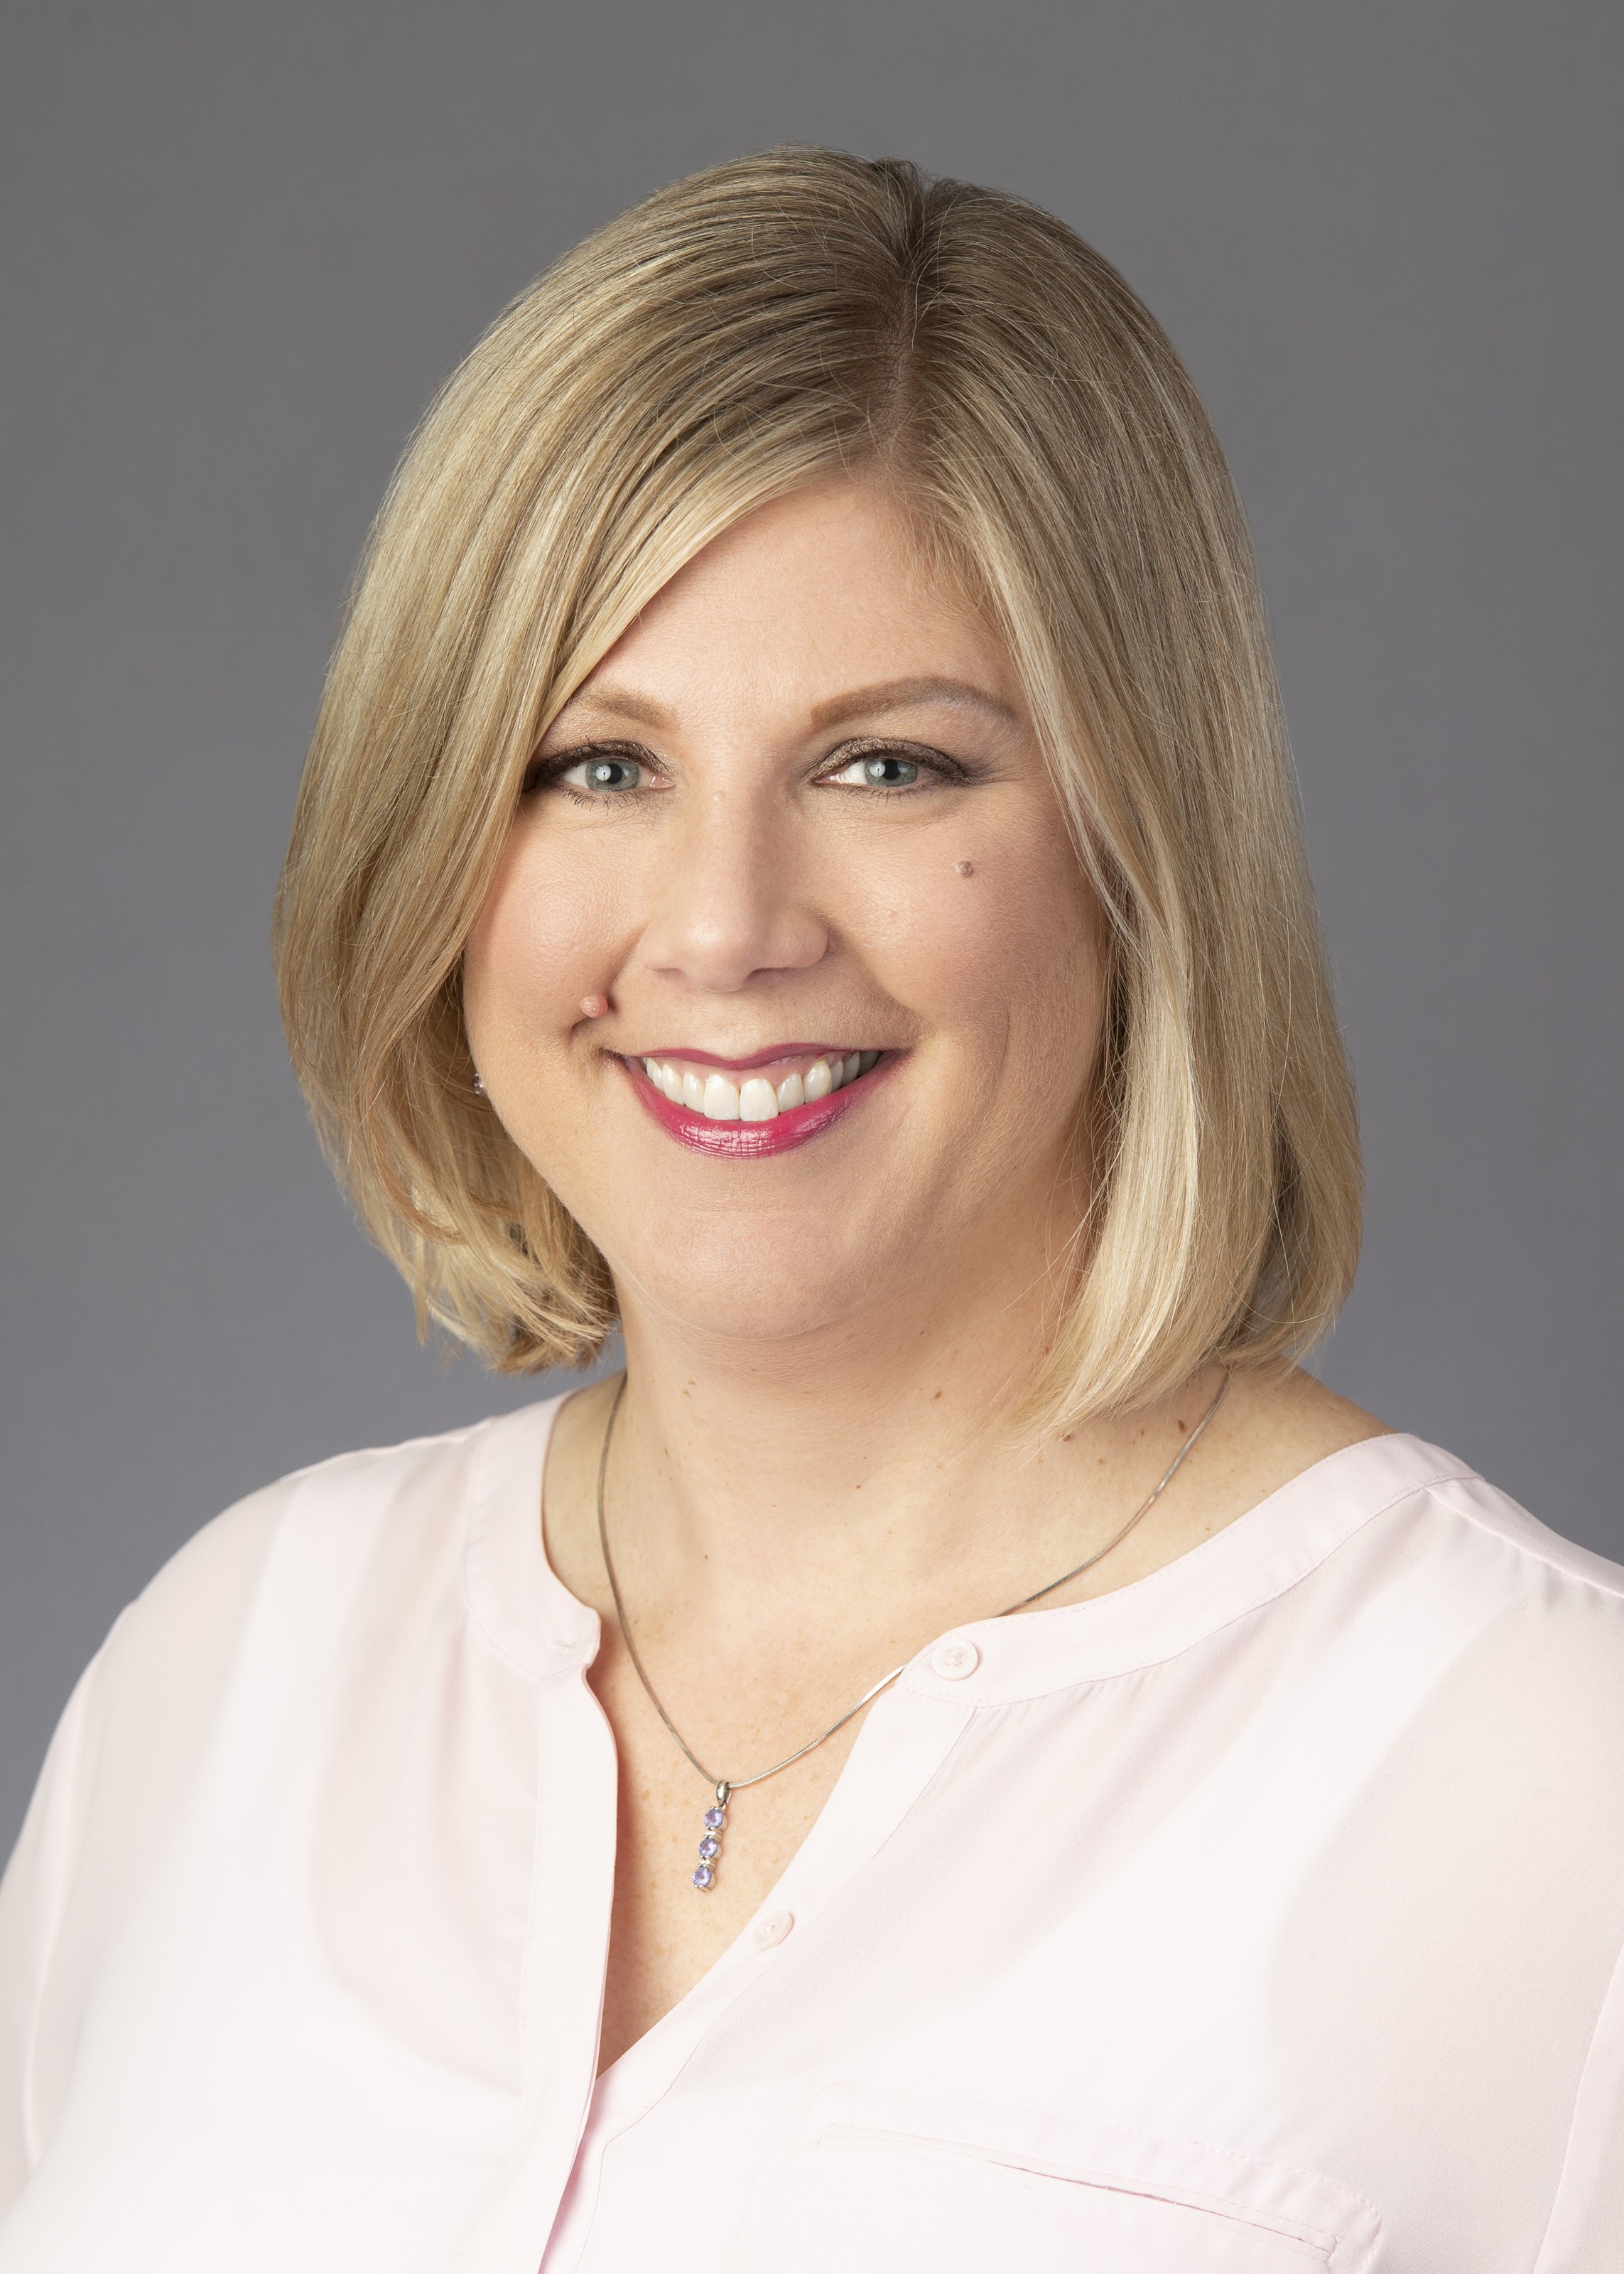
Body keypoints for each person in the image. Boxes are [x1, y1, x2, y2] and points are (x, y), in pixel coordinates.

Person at [1, 147, 1619, 2274]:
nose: (726, 927)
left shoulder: (1544, 1783)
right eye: (594, 763)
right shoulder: (227, 1669)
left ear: (1142, 851)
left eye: (890, 766)